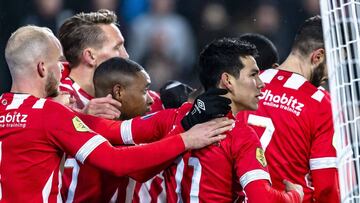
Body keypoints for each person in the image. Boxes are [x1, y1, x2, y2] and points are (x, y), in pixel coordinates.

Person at [0, 25, 234, 202]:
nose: (63, 69)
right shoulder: (51, 114)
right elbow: (116, 161)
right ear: (42, 68)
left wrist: (185, 118)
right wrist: (187, 139)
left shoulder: (44, 112)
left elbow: (118, 130)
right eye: (58, 62)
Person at [113, 38, 305, 202]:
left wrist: (86, 112)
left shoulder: (173, 117)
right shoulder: (240, 135)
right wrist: (294, 196)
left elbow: (110, 136)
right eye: (254, 75)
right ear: (227, 80)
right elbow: (262, 198)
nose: (261, 84)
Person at [241, 16, 340, 202]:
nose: (330, 74)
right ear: (317, 57)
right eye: (333, 65)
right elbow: (326, 188)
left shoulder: (248, 85)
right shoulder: (321, 104)